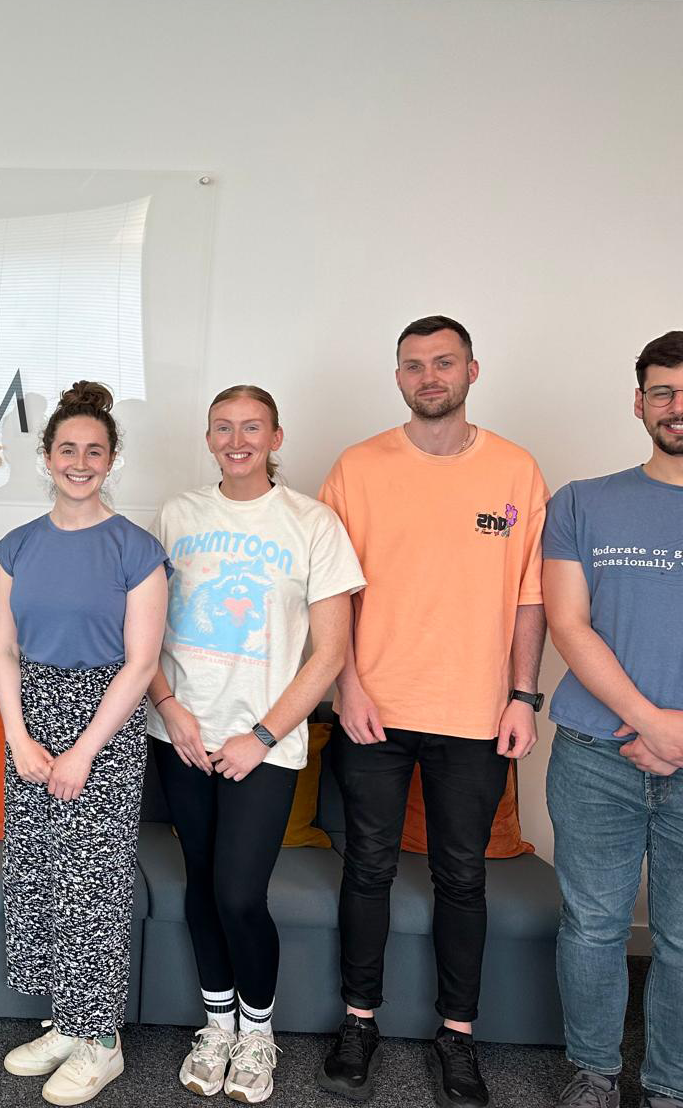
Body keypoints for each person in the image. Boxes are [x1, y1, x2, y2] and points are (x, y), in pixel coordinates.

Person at [315, 316, 547, 1108]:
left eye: (443, 362)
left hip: (477, 715)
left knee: (462, 876)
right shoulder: (357, 467)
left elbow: (529, 599)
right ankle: (358, 1021)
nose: (429, 376)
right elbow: (330, 594)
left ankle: (458, 1035)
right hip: (373, 707)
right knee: (369, 869)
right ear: (399, 377)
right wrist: (344, 684)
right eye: (413, 365)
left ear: (473, 370)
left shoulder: (516, 471)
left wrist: (522, 696)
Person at [147, 385, 362, 1104]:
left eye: (251, 427)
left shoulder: (312, 522)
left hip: (263, 745)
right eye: (222, 427)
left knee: (241, 893)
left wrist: (263, 735)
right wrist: (170, 709)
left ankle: (257, 1034)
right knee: (202, 886)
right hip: (181, 736)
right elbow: (142, 630)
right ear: (208, 437)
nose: (236, 439)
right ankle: (216, 1026)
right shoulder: (177, 514)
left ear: (276, 436)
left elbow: (329, 653)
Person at [0, 380, 169, 1107]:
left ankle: (103, 1041)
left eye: (95, 450)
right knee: (38, 876)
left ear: (112, 459)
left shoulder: (137, 549)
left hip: (105, 723)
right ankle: (68, 1022)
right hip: (28, 719)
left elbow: (143, 662)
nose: (80, 461)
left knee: (92, 884)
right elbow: (3, 649)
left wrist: (84, 749)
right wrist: (20, 738)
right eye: (68, 448)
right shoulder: (18, 545)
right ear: (46, 456)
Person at [543, 331, 683, 1108]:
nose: (676, 407)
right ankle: (593, 1073)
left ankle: (669, 1086)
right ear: (639, 403)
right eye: (662, 392)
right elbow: (569, 624)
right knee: (593, 926)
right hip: (597, 754)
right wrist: (650, 722)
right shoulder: (581, 501)